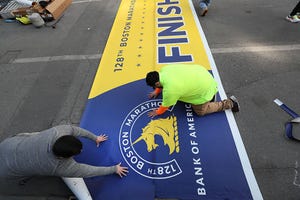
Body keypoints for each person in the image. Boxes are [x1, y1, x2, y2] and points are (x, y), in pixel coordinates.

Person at [0, 125, 128, 181]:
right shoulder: (59, 167)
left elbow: (76, 131)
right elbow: (89, 171)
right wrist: (114, 169)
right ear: (62, 157)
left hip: (7, 145)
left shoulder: (59, 131)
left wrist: (95, 137)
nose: (81, 151)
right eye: (77, 153)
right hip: (6, 169)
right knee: (26, 172)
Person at [145, 64, 239, 117]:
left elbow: (165, 106)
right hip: (204, 74)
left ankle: (230, 103)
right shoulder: (164, 69)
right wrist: (157, 91)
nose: (155, 88)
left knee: (201, 112)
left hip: (205, 89)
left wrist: (157, 112)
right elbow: (161, 83)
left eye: (154, 87)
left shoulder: (170, 91)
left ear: (157, 84)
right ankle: (209, 94)